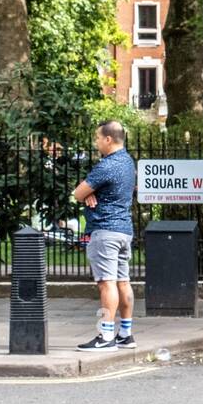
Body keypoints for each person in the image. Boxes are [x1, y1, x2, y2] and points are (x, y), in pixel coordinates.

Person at [72, 120, 137, 351]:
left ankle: (106, 336)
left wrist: (87, 195)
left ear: (108, 139)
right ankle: (125, 334)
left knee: (106, 284)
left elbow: (78, 193)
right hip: (124, 231)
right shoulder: (129, 163)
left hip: (105, 232)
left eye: (98, 138)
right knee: (123, 282)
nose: (96, 142)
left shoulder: (106, 166)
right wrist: (92, 194)